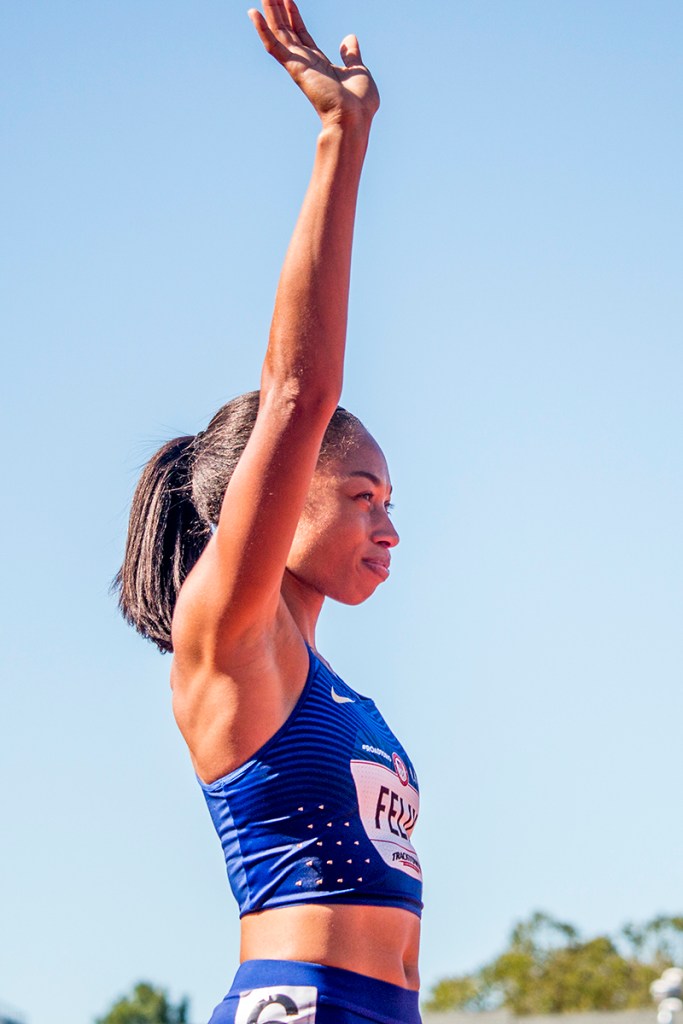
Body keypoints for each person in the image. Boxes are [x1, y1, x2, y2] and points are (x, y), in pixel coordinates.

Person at [116, 2, 422, 1021]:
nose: (388, 528)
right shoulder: (230, 632)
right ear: (282, 497)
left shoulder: (329, 681)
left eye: (392, 503)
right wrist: (344, 137)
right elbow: (298, 388)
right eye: (361, 496)